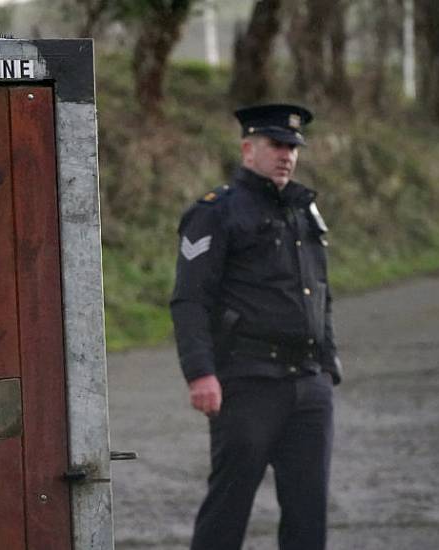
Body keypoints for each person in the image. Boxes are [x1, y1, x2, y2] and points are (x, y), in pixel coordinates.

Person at [170, 103, 343, 550]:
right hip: (247, 383)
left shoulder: (304, 210)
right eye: (276, 144)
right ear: (248, 148)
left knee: (309, 514)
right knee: (228, 509)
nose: (287, 154)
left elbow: (319, 290)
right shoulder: (217, 212)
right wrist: (200, 373)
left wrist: (328, 364)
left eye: (293, 146)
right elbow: (190, 299)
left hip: (308, 385)